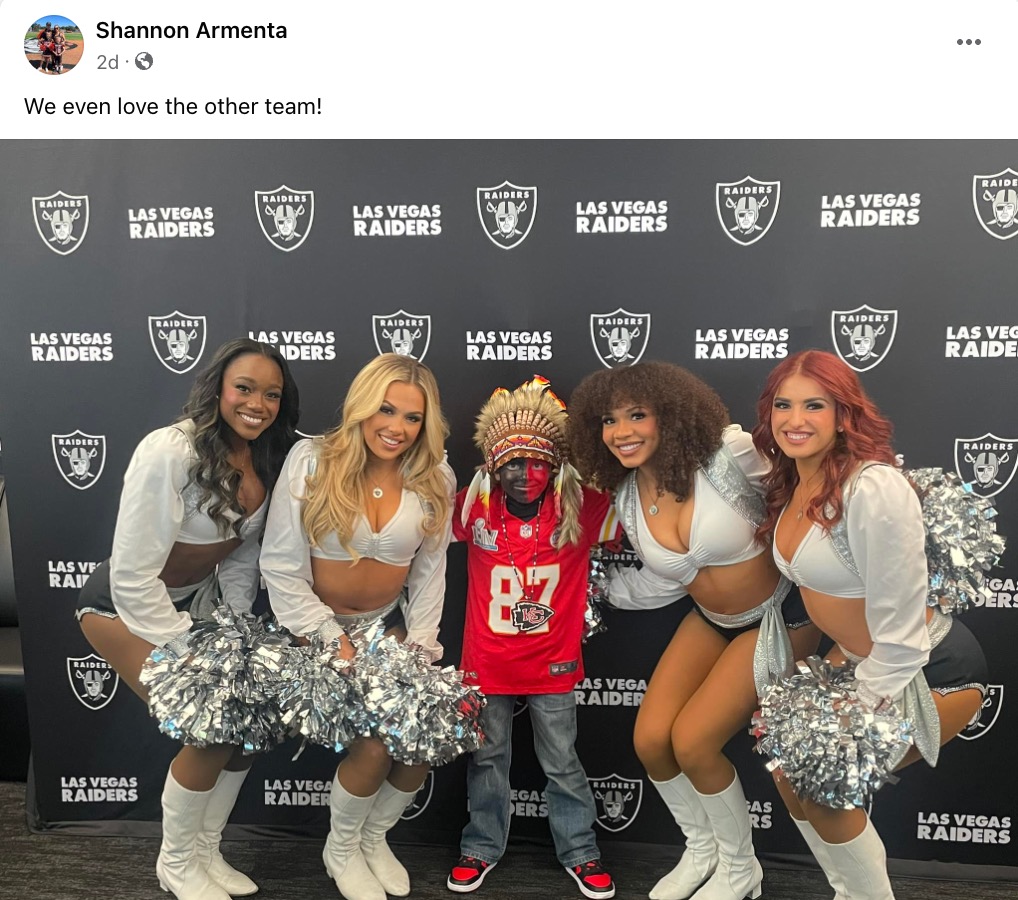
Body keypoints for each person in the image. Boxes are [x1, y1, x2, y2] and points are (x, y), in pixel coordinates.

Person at [567, 362, 819, 900]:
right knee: (652, 740)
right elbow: (668, 584)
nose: (622, 431)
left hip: (778, 617)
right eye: (610, 420)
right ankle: (702, 848)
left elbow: (812, 480)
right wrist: (580, 594)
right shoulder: (629, 496)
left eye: (638, 414)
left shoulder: (729, 457)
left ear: (671, 414)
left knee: (694, 742)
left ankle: (740, 867)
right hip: (710, 620)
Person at [752, 349, 988, 900]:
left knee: (826, 786)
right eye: (783, 405)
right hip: (859, 659)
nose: (796, 420)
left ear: (844, 414)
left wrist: (862, 699)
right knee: (791, 775)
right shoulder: (792, 482)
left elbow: (903, 632)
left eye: (815, 405)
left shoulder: (873, 488)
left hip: (927, 666)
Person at [77, 338, 300, 900]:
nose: (258, 403)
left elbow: (243, 554)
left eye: (271, 394)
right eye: (244, 388)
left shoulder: (267, 455)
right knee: (211, 725)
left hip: (198, 607)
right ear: (218, 389)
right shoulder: (170, 451)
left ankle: (206, 852)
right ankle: (175, 864)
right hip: (122, 609)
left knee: (247, 732)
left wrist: (238, 627)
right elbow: (131, 576)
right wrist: (185, 647)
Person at [259, 353, 455, 900]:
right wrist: (329, 638)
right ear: (361, 407)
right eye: (385, 410)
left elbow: (430, 573)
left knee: (420, 741)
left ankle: (374, 837)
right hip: (312, 631)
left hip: (385, 628)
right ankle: (340, 848)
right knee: (373, 749)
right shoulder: (312, 460)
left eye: (412, 418)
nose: (396, 428)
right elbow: (279, 565)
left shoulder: (436, 475)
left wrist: (420, 647)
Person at [446, 376, 621, 899]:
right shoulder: (474, 504)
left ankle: (580, 849)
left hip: (553, 662)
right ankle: (480, 845)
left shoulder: (581, 506)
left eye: (538, 462)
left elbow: (644, 518)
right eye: (513, 463)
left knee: (563, 761)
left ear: (557, 464)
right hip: (488, 660)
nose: (526, 475)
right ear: (493, 466)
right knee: (487, 760)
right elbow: (418, 526)